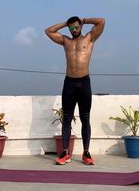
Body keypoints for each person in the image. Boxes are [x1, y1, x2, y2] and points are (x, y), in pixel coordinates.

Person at [45, 16, 105, 165]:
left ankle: (86, 153)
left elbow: (101, 21)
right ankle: (65, 153)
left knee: (85, 118)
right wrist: (65, 24)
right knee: (67, 119)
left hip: (84, 82)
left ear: (81, 27)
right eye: (71, 28)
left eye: (76, 27)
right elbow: (48, 31)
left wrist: (84, 20)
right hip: (69, 83)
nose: (74, 30)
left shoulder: (90, 38)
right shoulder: (66, 41)